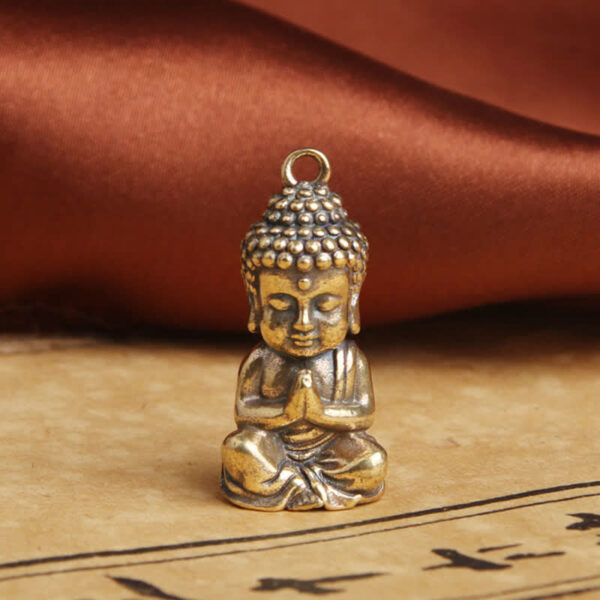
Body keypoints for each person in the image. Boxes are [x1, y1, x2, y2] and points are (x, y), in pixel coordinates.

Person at [221, 152, 387, 510]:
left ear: (352, 303)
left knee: (371, 461)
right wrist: (288, 414)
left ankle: (292, 486)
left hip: (331, 448)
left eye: (325, 307)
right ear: (256, 303)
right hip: (273, 447)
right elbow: (244, 414)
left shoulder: (350, 360)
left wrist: (317, 415)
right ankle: (299, 485)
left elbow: (364, 415)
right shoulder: (262, 359)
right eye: (281, 308)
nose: (303, 324)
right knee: (241, 449)